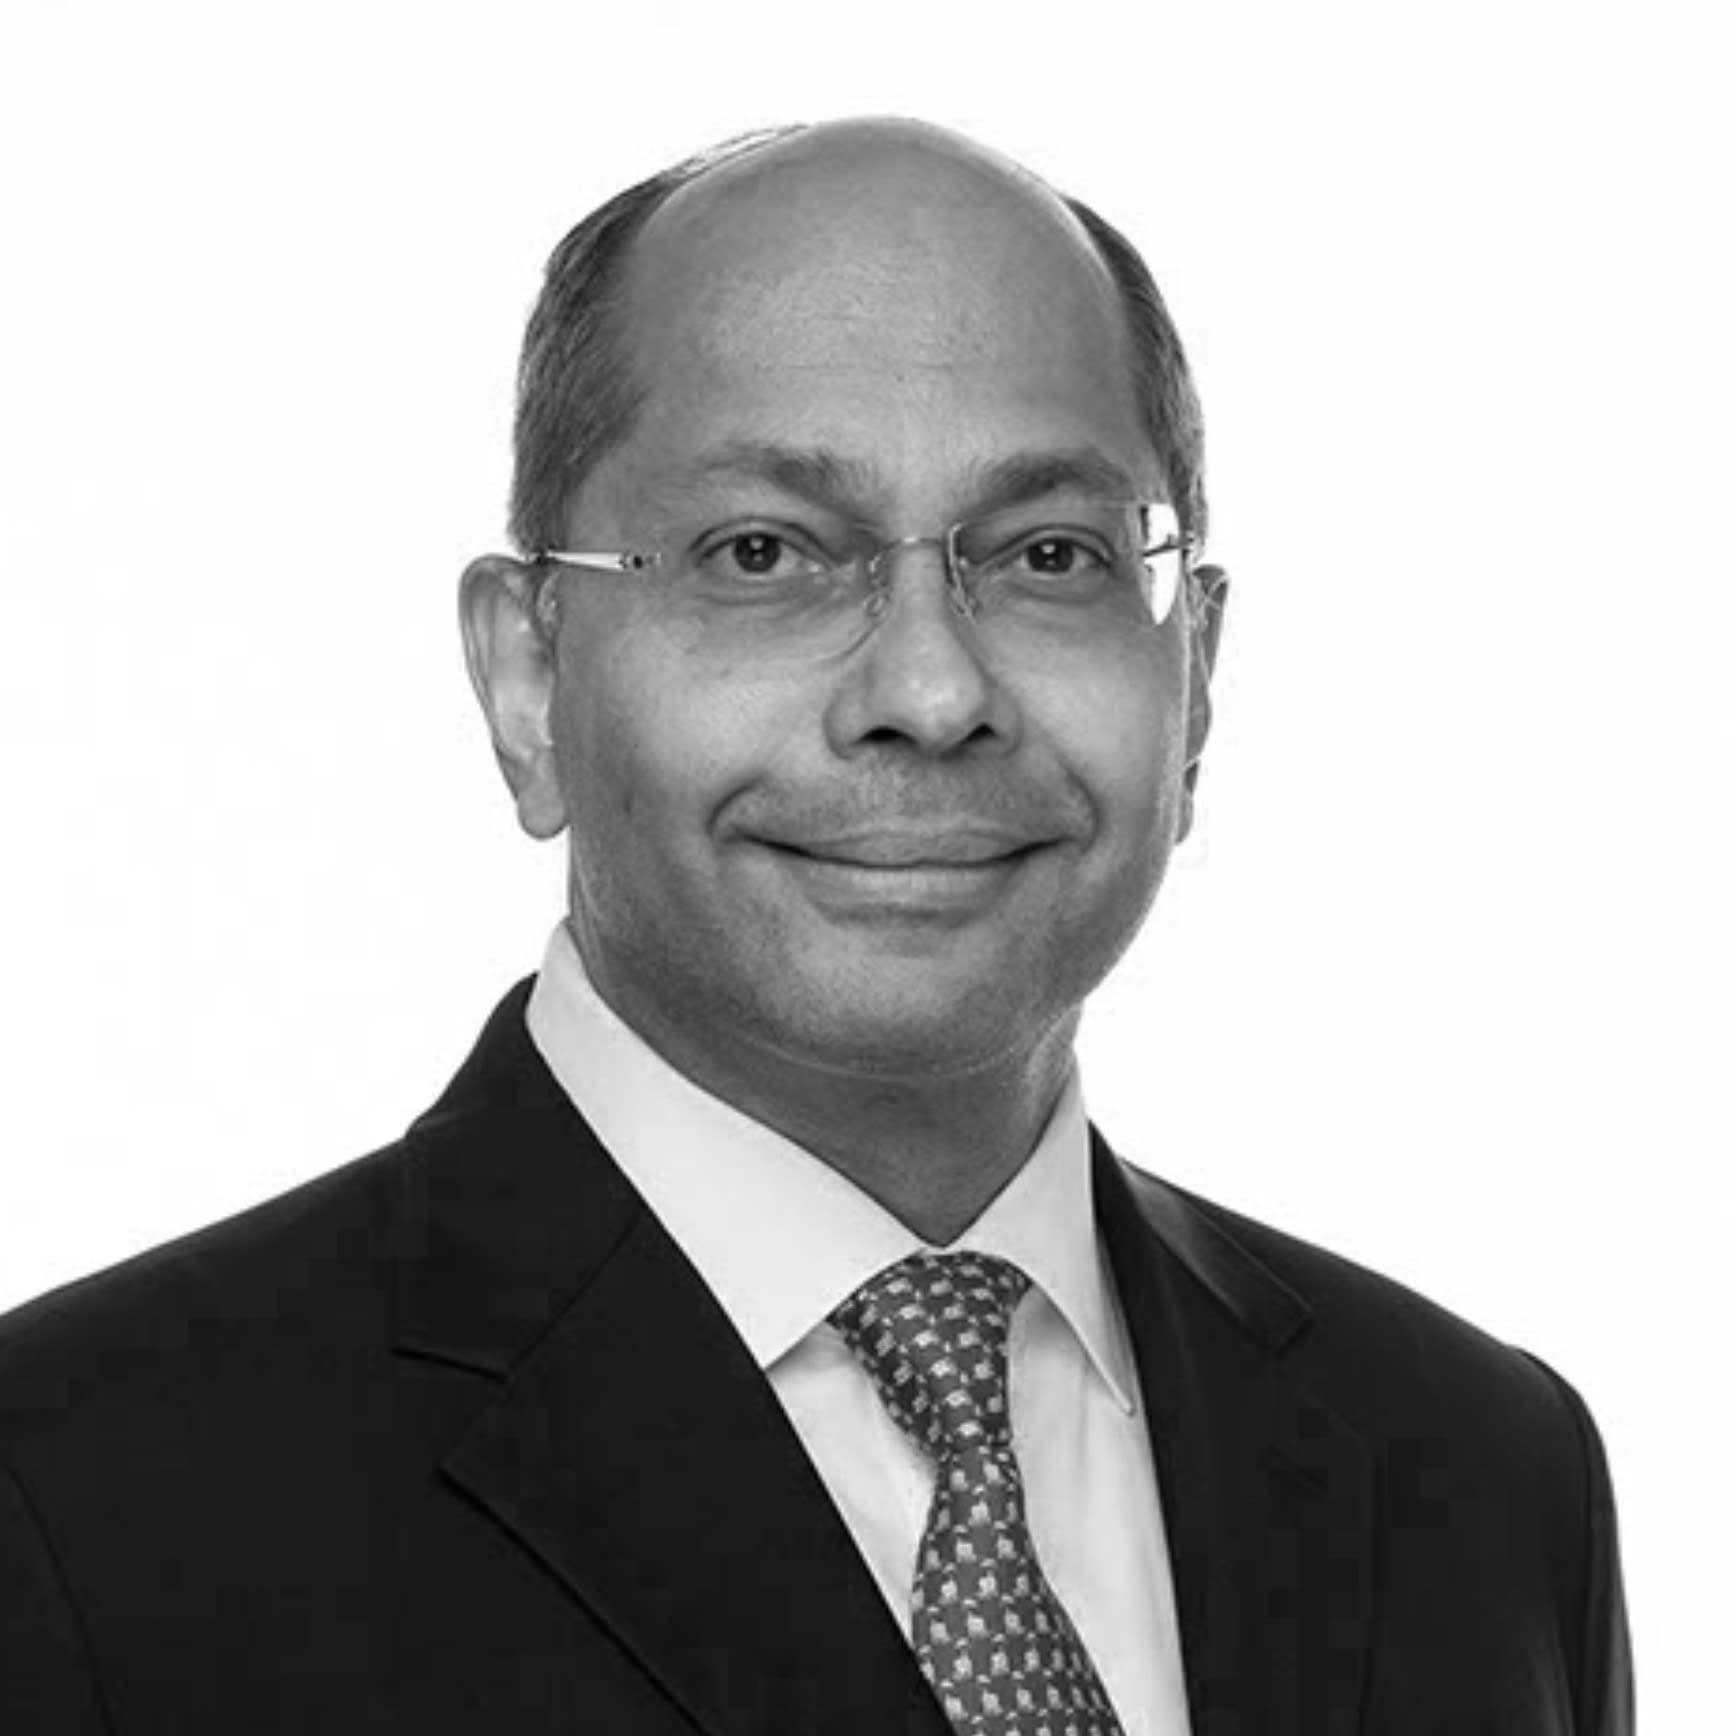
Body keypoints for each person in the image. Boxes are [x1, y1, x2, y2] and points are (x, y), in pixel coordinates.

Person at [0, 117, 1631, 1734]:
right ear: (527, 678)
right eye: (764, 552)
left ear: (1192, 675)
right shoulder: (72, 1500)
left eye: (1050, 553)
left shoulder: (1487, 1476)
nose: (930, 693)